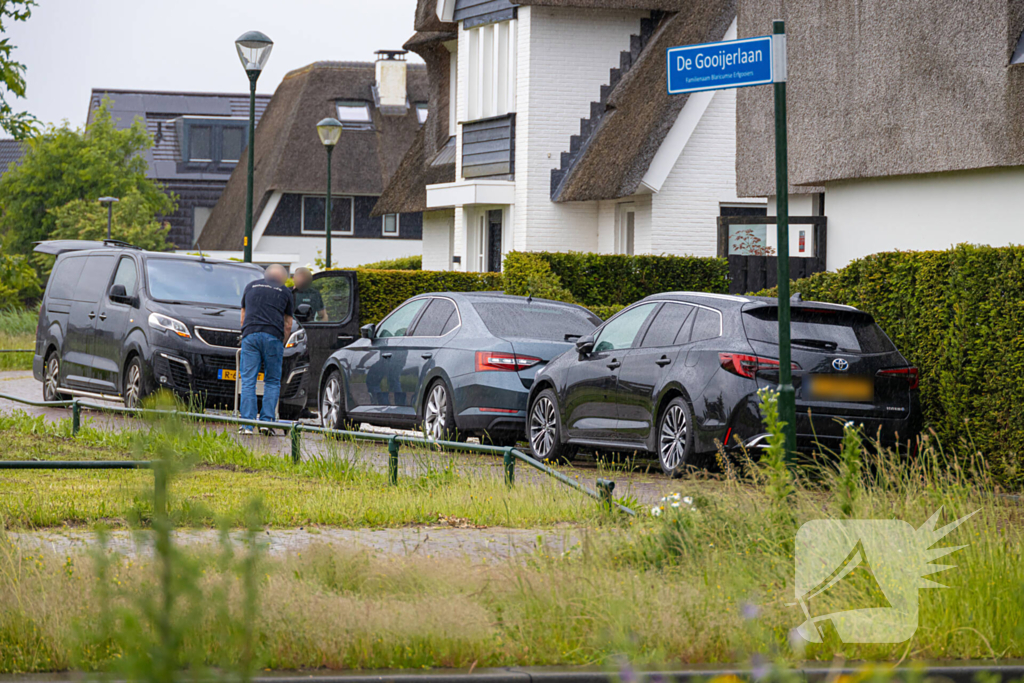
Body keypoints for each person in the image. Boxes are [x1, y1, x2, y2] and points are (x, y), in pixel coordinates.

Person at [239, 264, 293, 436]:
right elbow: (288, 324)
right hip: (273, 336)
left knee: (248, 380)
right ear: (282, 277)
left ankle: (247, 425)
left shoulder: (250, 287)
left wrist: (247, 335)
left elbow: (243, 317)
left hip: (250, 335)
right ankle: (266, 422)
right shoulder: (285, 292)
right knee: (272, 380)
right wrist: (281, 343)